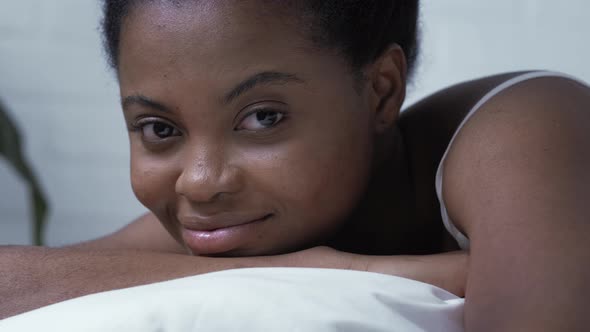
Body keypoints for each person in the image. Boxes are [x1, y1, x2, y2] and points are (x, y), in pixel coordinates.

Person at [1, 0, 589, 330]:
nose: (201, 180)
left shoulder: (527, 128)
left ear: (382, 91)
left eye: (263, 118)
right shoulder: (235, 211)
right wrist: (332, 269)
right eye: (160, 129)